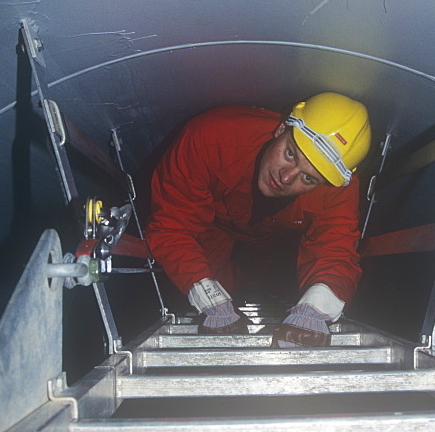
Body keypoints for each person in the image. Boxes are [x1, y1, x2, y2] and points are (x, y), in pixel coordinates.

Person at [145, 93, 371, 347]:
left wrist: (315, 311)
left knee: (264, 274)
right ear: (282, 128)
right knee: (211, 274)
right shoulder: (212, 135)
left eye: (308, 178)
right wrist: (211, 299)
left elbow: (335, 251)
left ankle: (253, 283)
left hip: (272, 242)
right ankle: (234, 288)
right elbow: (173, 223)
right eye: (289, 154)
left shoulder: (337, 188)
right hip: (216, 225)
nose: (285, 178)